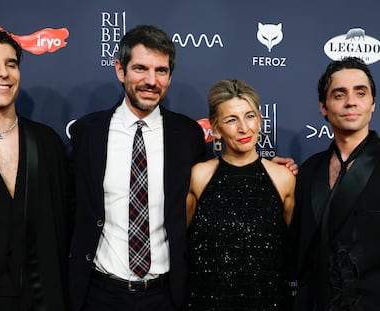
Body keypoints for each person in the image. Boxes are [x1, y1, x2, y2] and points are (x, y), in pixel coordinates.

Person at [68, 25, 297, 311]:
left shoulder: (187, 135)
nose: (151, 80)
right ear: (120, 70)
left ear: (169, 76)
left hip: (166, 295)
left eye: (161, 71)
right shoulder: (88, 132)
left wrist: (269, 169)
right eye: (140, 68)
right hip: (100, 292)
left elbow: (224, 178)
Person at [0, 29, 74, 311]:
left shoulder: (47, 143)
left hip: (42, 300)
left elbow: (66, 222)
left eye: (11, 64)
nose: (3, 73)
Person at [185, 79, 296, 310]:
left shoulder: (284, 178)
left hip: (269, 302)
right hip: (206, 303)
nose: (244, 128)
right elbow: (177, 244)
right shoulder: (199, 176)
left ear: (260, 119)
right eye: (231, 120)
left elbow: (301, 249)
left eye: (250, 116)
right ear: (215, 129)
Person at [292, 56, 380, 310]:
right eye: (339, 94)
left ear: (372, 103)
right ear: (324, 106)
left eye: (360, 93)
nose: (351, 101)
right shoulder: (309, 170)